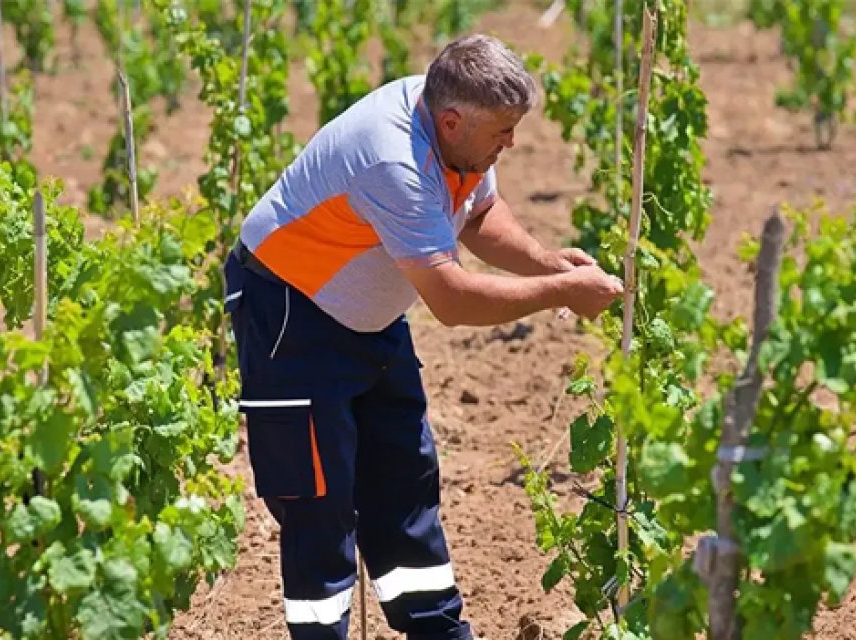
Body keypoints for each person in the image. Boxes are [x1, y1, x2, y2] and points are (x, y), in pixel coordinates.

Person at [222, 33, 624, 640]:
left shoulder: (456, 138)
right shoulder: (394, 160)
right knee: (319, 509)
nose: (511, 143)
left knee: (404, 478)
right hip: (289, 313)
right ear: (453, 120)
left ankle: (438, 632)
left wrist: (547, 263)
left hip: (369, 319)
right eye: (503, 131)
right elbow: (453, 300)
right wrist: (562, 295)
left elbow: (480, 216)